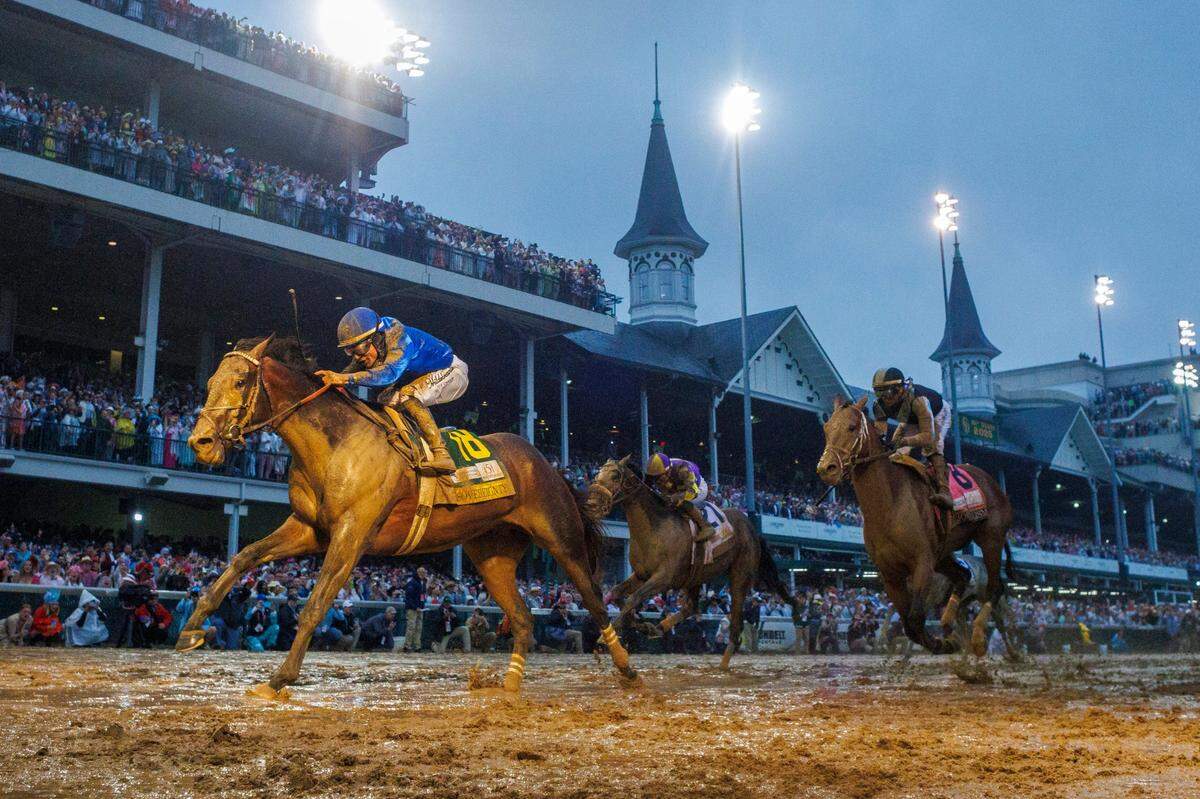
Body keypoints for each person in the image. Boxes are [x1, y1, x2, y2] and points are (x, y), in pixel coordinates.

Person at [315, 307, 469, 475]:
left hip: (453, 372)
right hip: (425, 375)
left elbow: (388, 375)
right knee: (384, 399)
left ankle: (442, 453)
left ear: (376, 338)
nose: (357, 357)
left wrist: (343, 379)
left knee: (408, 395)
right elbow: (346, 374)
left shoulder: (400, 338)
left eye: (359, 351)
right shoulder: (373, 345)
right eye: (351, 352)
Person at [870, 367, 953, 510]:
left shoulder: (919, 401)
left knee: (932, 448)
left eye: (889, 391)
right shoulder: (879, 405)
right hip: (910, 418)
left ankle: (944, 491)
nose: (885, 397)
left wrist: (905, 441)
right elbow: (880, 434)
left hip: (937, 413)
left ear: (900, 389)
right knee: (897, 453)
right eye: (879, 392)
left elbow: (928, 436)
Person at [644, 452, 714, 542]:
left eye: (660, 476)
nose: (657, 480)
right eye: (655, 477)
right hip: (677, 487)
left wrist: (676, 497)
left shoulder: (683, 470)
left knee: (681, 503)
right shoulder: (655, 473)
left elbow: (693, 492)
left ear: (668, 470)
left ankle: (706, 526)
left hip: (697, 488)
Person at [402, 566, 427, 652]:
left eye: (424, 572)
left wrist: (422, 606)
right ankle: (407, 645)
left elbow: (422, 596)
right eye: (422, 572)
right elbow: (408, 597)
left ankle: (417, 645)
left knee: (419, 627)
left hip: (420, 608)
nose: (424, 574)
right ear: (418, 573)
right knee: (411, 627)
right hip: (412, 609)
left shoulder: (422, 582)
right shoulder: (412, 582)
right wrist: (415, 607)